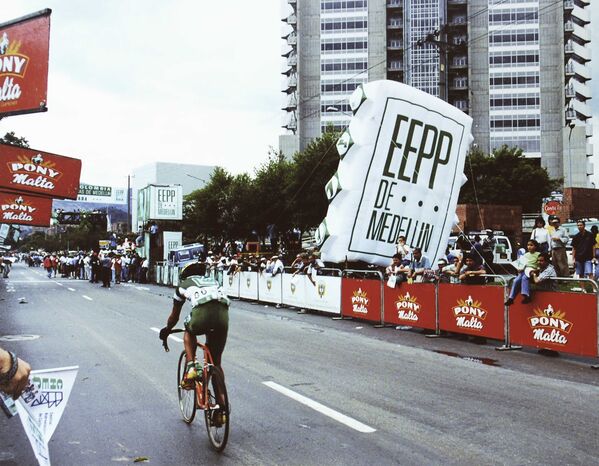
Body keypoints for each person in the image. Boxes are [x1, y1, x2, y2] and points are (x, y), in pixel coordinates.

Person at [159, 261, 229, 406]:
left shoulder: (183, 285)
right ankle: (222, 405)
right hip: (223, 316)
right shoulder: (213, 280)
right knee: (216, 363)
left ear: (184, 275)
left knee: (188, 328)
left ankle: (191, 366)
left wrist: (167, 329)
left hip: (201, 315)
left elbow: (174, 316)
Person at [505, 239, 540, 305]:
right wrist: (519, 268)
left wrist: (536, 269)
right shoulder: (526, 255)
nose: (529, 247)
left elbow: (539, 265)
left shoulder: (538, 254)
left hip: (531, 270)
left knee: (524, 278)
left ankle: (526, 295)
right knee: (516, 280)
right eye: (528, 245)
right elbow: (522, 264)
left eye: (531, 245)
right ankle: (511, 298)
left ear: (535, 246)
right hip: (524, 270)